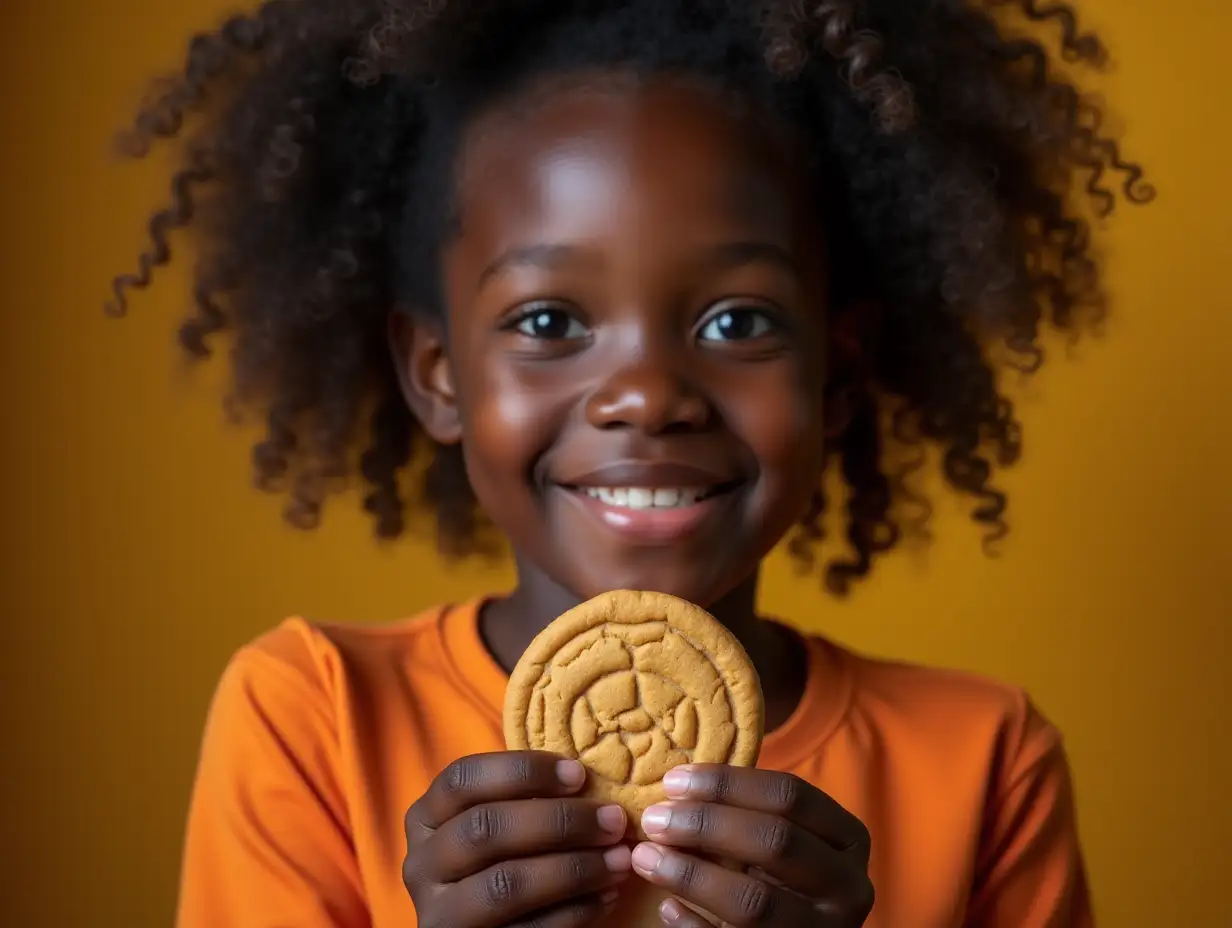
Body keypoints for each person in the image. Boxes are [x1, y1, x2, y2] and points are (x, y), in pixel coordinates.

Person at [109, 0, 1153, 925]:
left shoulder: (980, 761)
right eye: (550, 318)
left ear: (835, 375)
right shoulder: (314, 715)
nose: (648, 393)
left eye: (736, 319)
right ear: (437, 375)